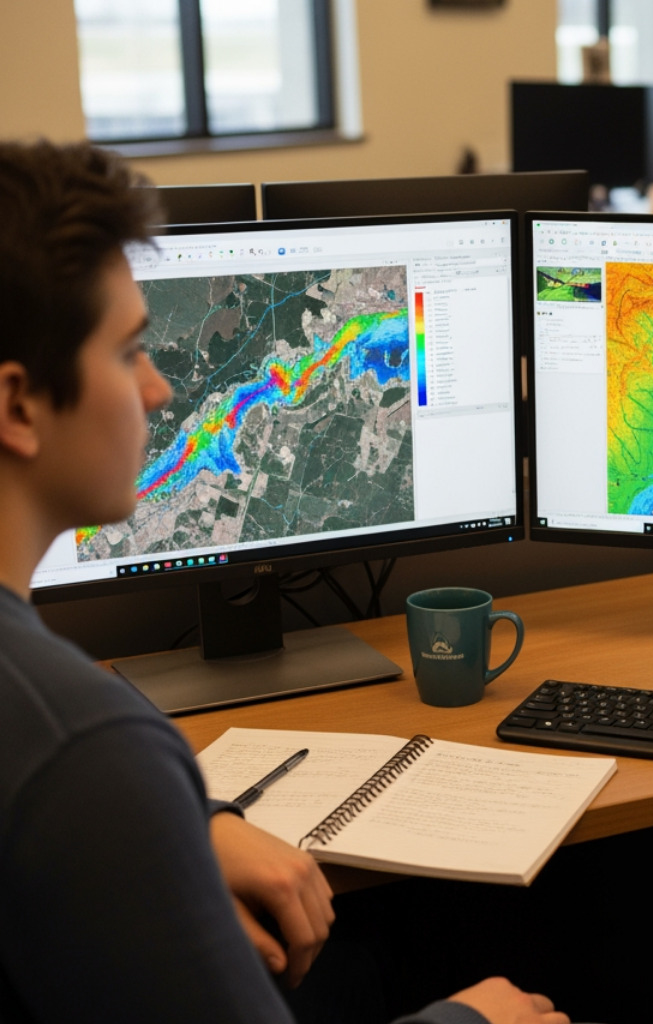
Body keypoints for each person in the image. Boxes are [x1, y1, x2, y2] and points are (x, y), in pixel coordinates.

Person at [0, 139, 569, 1024]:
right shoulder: (84, 750)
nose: (157, 391)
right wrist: (470, 1022)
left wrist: (189, 818)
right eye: (128, 352)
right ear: (17, 406)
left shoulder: (77, 752)